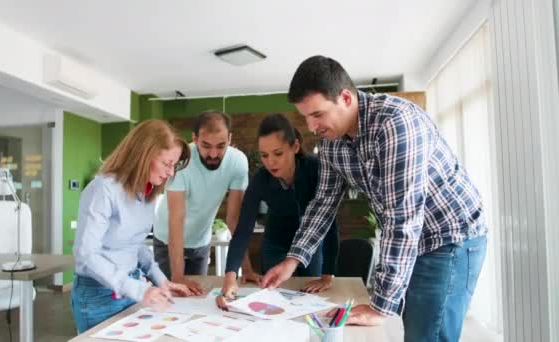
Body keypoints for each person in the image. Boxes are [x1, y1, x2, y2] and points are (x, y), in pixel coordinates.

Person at [261, 55, 488, 342]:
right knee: (415, 327)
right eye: (305, 117)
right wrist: (293, 259)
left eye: (317, 114)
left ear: (345, 98)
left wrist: (380, 306)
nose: (311, 127)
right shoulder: (331, 142)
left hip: (451, 237)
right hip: (415, 238)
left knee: (426, 334)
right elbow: (323, 204)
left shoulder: (396, 124)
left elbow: (402, 217)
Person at [71, 119, 192, 333]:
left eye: (174, 166)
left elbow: (135, 244)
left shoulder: (147, 192)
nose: (171, 172)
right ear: (144, 155)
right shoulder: (103, 189)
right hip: (98, 297)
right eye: (167, 163)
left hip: (131, 290)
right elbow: (86, 254)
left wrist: (161, 280)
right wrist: (138, 290)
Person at [216, 113, 339, 309]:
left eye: (278, 153)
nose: (270, 162)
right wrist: (231, 275)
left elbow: (329, 222)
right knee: (274, 298)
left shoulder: (315, 169)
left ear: (295, 147)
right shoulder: (260, 180)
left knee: (310, 299)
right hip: (275, 241)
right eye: (264, 155)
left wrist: (327, 275)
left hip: (311, 243)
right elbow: (243, 230)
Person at [153, 110, 249, 295]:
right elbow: (176, 219)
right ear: (195, 139)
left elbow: (234, 219)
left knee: (198, 298)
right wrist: (178, 276)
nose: (213, 154)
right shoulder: (181, 162)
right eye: (206, 145)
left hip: (201, 242)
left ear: (229, 139)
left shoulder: (238, 162)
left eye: (221, 146)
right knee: (171, 298)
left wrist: (246, 268)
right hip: (167, 241)